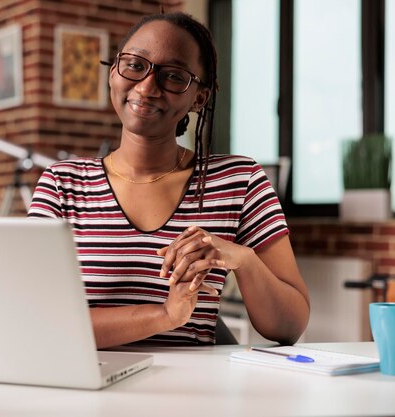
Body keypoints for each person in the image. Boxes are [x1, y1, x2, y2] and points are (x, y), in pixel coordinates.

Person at [28, 11, 310, 348]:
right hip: (87, 387)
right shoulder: (62, 185)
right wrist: (164, 315)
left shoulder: (240, 181)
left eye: (173, 76)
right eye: (135, 65)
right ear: (113, 73)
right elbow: (40, 321)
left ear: (200, 97)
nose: (147, 87)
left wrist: (243, 259)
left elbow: (290, 326)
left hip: (191, 394)